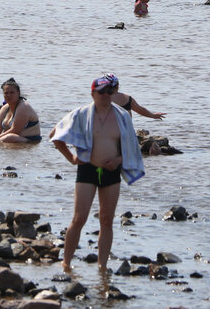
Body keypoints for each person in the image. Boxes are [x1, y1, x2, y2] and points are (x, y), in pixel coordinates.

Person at [49, 74, 143, 273]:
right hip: (87, 170)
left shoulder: (122, 116)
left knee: (107, 220)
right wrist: (71, 158)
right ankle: (66, 262)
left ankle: (102, 266)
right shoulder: (81, 113)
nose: (106, 95)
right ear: (93, 93)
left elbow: (130, 147)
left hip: (112, 173)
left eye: (110, 92)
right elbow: (55, 136)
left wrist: (118, 160)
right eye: (102, 92)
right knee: (79, 218)